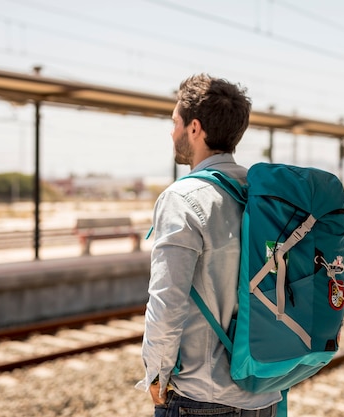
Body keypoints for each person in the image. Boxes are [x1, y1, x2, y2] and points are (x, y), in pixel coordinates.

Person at [135, 74, 282, 417]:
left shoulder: (183, 198)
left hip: (203, 398)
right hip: (266, 394)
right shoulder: (264, 194)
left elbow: (166, 301)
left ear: (195, 129)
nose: (172, 132)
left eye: (175, 123)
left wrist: (156, 373)